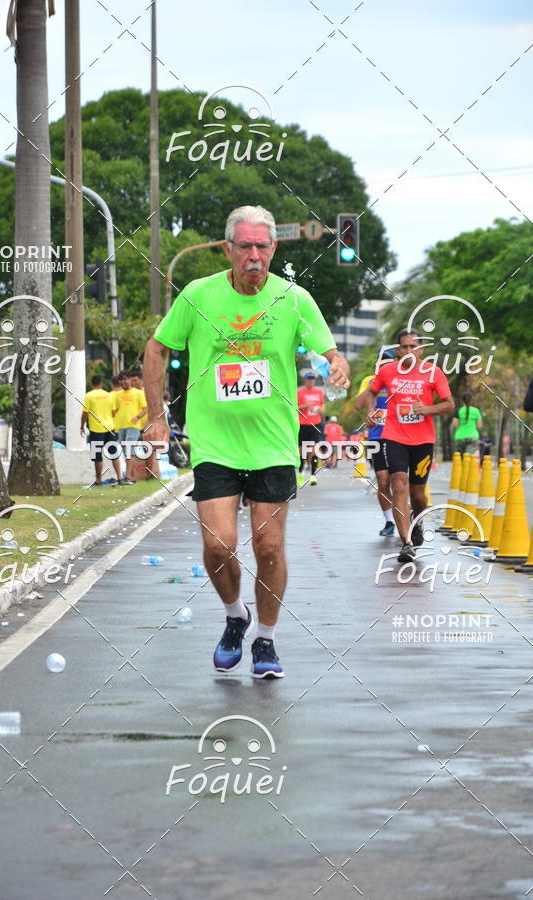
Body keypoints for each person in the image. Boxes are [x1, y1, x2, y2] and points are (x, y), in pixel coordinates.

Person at [143, 204, 349, 678]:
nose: (254, 255)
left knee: (268, 546)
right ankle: (237, 616)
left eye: (263, 246)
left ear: (274, 248)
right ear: (228, 249)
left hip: (274, 444)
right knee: (219, 545)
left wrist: (337, 364)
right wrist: (156, 418)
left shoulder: (293, 299)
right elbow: (157, 348)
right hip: (215, 444)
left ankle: (266, 641)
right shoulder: (197, 295)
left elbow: (330, 351)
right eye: (245, 246)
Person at [364, 330, 454, 562]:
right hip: (394, 437)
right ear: (397, 350)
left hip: (423, 441)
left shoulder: (433, 373)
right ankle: (406, 543)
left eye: (413, 347)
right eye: (403, 347)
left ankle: (419, 520)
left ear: (421, 350)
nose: (408, 351)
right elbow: (371, 393)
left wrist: (427, 410)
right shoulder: (387, 371)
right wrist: (370, 412)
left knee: (418, 494)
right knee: (398, 482)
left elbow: (448, 405)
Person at [355, 348, 396, 536]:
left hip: (399, 436)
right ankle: (389, 522)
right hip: (377, 437)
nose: (385, 363)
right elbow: (358, 405)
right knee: (382, 480)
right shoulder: (370, 380)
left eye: (388, 360)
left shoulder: (402, 379)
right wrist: (376, 382)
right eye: (382, 360)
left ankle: (405, 517)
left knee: (399, 480)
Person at [80, 375, 121, 486]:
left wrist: (82, 426)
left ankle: (99, 480)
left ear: (91, 383)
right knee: (114, 454)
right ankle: (120, 478)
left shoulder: (89, 396)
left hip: (96, 430)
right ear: (101, 384)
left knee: (98, 457)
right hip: (110, 428)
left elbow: (85, 413)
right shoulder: (108, 395)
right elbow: (113, 413)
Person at [112, 370, 146, 483]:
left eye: (125, 379)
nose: (123, 382)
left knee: (129, 451)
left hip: (133, 426)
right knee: (125, 451)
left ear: (130, 380)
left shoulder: (138, 393)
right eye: (121, 380)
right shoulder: (118, 395)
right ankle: (130, 477)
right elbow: (115, 410)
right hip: (120, 426)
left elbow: (145, 408)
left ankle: (127, 476)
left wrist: (137, 417)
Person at [297, 370, 325, 485]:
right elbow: (294, 408)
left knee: (314, 451)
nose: (311, 382)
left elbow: (323, 406)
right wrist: (305, 406)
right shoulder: (299, 392)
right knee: (302, 451)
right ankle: (300, 474)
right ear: (305, 381)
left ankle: (313, 476)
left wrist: (321, 410)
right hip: (302, 424)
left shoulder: (319, 391)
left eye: (312, 380)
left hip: (316, 424)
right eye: (309, 379)